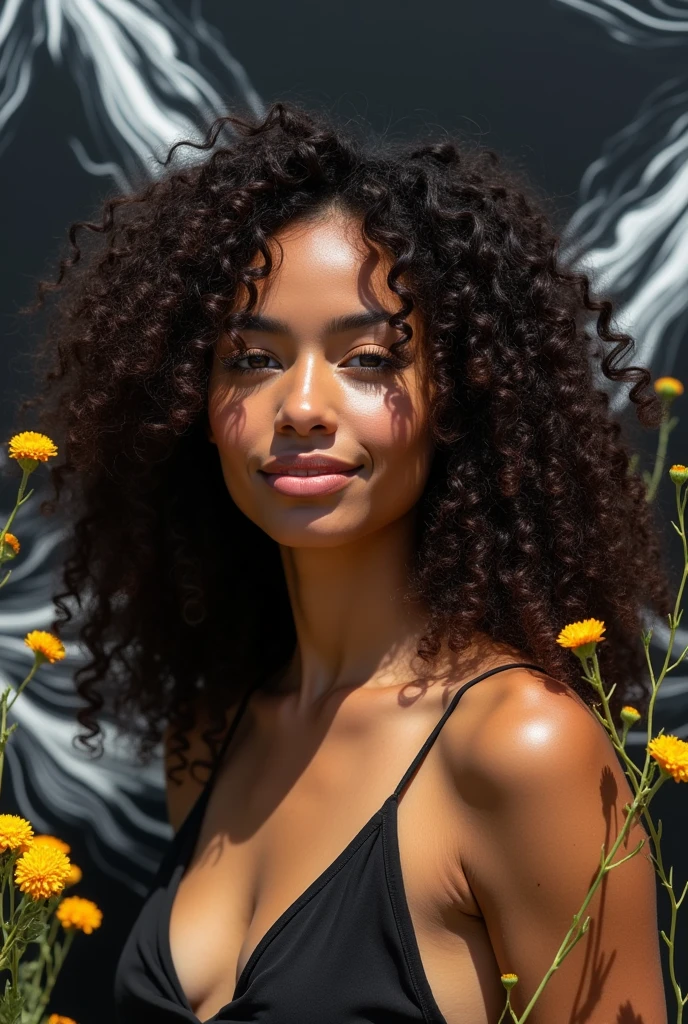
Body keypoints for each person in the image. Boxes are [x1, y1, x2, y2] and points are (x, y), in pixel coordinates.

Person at [17, 100, 670, 1023]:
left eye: (368, 359)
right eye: (250, 358)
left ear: (461, 397)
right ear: (188, 406)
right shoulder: (210, 737)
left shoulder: (522, 750)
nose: (304, 407)